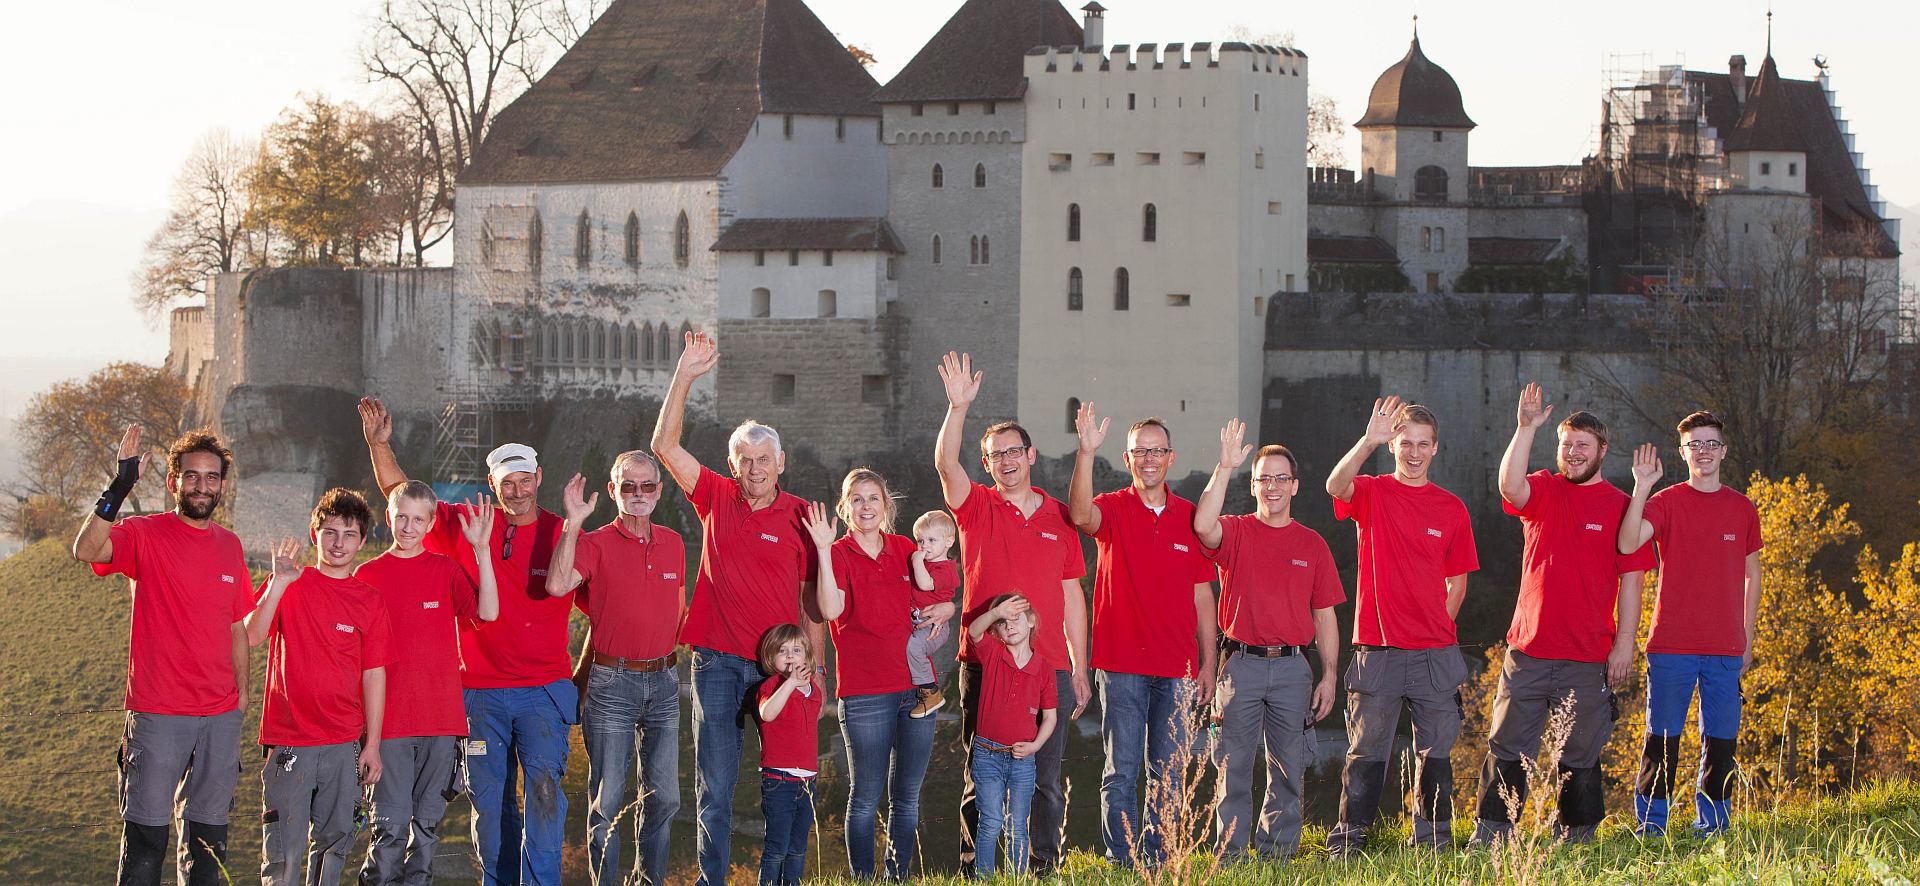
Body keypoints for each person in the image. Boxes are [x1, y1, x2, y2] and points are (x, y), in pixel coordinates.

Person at [359, 397, 574, 886]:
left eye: (525, 481)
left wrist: (583, 674)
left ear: (538, 479)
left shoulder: (565, 534)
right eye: (507, 484)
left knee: (543, 790)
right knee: (490, 801)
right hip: (479, 692)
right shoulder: (468, 523)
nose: (517, 492)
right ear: (493, 487)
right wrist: (379, 445)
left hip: (542, 689)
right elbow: (403, 497)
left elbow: (601, 603)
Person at [651, 331, 820, 886]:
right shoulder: (716, 497)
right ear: (732, 462)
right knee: (716, 788)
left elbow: (814, 604)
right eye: (744, 459)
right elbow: (664, 446)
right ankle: (713, 881)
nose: (754, 468)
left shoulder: (801, 515)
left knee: (789, 782)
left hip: (780, 667)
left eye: (764, 459)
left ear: (781, 461)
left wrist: (815, 669)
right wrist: (685, 374)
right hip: (719, 663)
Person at [1472, 385, 1652, 846]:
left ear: (1602, 451)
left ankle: (1575, 838)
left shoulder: (1620, 507)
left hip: (1589, 655)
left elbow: (1633, 580)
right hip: (1528, 651)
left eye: (1583, 446)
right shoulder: (1544, 490)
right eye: (1567, 445)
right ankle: (1493, 834)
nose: (1573, 454)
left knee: (1580, 754)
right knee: (1507, 749)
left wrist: (1625, 643)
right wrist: (1525, 427)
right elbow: (1508, 485)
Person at [72, 425, 253, 886]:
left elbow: (237, 629)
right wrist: (120, 484)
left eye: (211, 478)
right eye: (191, 476)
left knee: (208, 852)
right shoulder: (144, 534)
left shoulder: (230, 546)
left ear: (223, 486)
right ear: (173, 481)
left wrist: (242, 699)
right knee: (144, 852)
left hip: (220, 718)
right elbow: (86, 549)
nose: (201, 486)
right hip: (158, 713)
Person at [933, 352, 1090, 874]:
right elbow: (944, 465)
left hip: (1049, 667)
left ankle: (1044, 866)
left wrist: (1080, 668)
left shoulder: (1060, 518)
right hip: (984, 665)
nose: (1006, 461)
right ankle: (973, 869)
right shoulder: (976, 506)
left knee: (1046, 775)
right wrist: (958, 409)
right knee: (982, 775)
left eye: (1013, 452)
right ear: (988, 464)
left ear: (1031, 454)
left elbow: (1072, 599)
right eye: (996, 455)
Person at [1324, 397, 1479, 854]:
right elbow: (1336, 484)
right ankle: (1350, 841)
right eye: (1405, 443)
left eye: (1423, 444)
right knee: (1366, 753)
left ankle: (1432, 843)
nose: (1414, 452)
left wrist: (1437, 625)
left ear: (1435, 449)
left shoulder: (1452, 508)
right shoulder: (1371, 492)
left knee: (1436, 756)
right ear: (1393, 445)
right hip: (1377, 651)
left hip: (1435, 656)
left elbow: (1459, 581)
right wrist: (1367, 441)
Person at [1066, 404, 1218, 869]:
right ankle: (1122, 861)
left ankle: (1160, 859)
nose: (1148, 459)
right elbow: (1079, 515)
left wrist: (1209, 662)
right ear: (1127, 459)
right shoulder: (1112, 507)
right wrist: (1086, 453)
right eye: (1139, 452)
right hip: (1122, 663)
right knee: (1121, 771)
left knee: (1170, 773)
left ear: (1171, 457)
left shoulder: (1191, 517)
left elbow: (1202, 597)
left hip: (1178, 667)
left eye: (1156, 451)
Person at [1192, 420, 1343, 861]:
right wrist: (1224, 467)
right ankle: (1232, 858)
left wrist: (1330, 675)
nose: (1272, 487)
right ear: (1253, 485)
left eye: (1281, 479)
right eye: (1263, 479)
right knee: (1233, 768)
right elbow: (1203, 525)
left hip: (1294, 670)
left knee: (1289, 770)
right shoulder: (1236, 531)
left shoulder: (1313, 545)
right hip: (1241, 666)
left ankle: (1277, 855)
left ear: (1294, 486)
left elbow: (1326, 615)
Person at [1618, 411, 1763, 836]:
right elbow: (1627, 543)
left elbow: (1753, 575)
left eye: (1711, 444)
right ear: (1682, 452)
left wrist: (1747, 637)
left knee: (1721, 744)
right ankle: (1651, 828)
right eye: (1694, 445)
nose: (1703, 452)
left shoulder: (1741, 508)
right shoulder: (1666, 502)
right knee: (1661, 742)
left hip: (1725, 648)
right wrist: (1642, 486)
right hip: (1671, 645)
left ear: (1724, 451)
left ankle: (1713, 826)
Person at [545, 452, 687, 886]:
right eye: (629, 486)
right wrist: (573, 521)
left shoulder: (675, 542)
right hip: (612, 684)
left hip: (664, 681)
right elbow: (555, 584)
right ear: (613, 491)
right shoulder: (593, 543)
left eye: (647, 486)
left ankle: (650, 881)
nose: (639, 494)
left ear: (659, 491)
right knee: (607, 801)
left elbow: (678, 608)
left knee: (665, 798)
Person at [803, 470, 952, 878]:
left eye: (873, 498)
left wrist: (949, 608)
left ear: (886, 505)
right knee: (865, 796)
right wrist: (821, 547)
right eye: (857, 499)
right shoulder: (837, 554)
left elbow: (937, 595)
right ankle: (862, 877)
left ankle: (898, 874)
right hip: (865, 693)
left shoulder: (907, 548)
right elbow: (831, 610)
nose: (866, 506)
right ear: (845, 506)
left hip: (916, 692)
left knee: (906, 797)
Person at [245, 489, 394, 886]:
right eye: (330, 532)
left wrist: (373, 744)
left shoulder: (369, 601)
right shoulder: (291, 582)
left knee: (333, 847)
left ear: (363, 540)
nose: (339, 543)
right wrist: (277, 584)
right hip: (290, 742)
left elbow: (374, 674)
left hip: (344, 744)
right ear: (315, 534)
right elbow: (251, 636)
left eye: (349, 534)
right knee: (282, 857)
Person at [356, 482, 501, 884]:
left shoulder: (444, 569)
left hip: (442, 723)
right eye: (401, 516)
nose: (407, 526)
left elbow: (488, 611)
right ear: (389, 516)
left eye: (418, 519)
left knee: (425, 833)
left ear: (431, 523)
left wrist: (482, 549)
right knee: (388, 831)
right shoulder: (367, 575)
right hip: (390, 726)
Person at [967, 594, 1059, 879]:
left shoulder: (1043, 668)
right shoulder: (993, 653)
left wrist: (1034, 746)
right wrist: (996, 612)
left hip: (1022, 760)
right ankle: (983, 878)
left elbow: (1051, 717)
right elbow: (973, 630)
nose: (1010, 626)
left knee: (1017, 824)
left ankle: (1016, 879)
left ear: (1031, 622)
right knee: (991, 821)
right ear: (997, 629)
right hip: (987, 754)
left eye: (1016, 618)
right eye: (1004, 622)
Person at [755, 625, 822, 886]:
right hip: (779, 780)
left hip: (808, 781)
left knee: (797, 848)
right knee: (776, 849)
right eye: (782, 651)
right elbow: (767, 714)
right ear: (771, 657)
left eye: (797, 650)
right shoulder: (771, 686)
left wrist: (800, 683)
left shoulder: (813, 690)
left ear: (807, 656)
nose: (790, 656)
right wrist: (790, 683)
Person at [907, 510, 962, 718]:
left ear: (948, 541)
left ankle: (931, 692)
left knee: (914, 646)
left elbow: (924, 583)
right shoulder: (927, 563)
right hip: (919, 620)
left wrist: (916, 561)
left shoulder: (945, 568)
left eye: (931, 540)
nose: (924, 546)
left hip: (934, 626)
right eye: (920, 540)